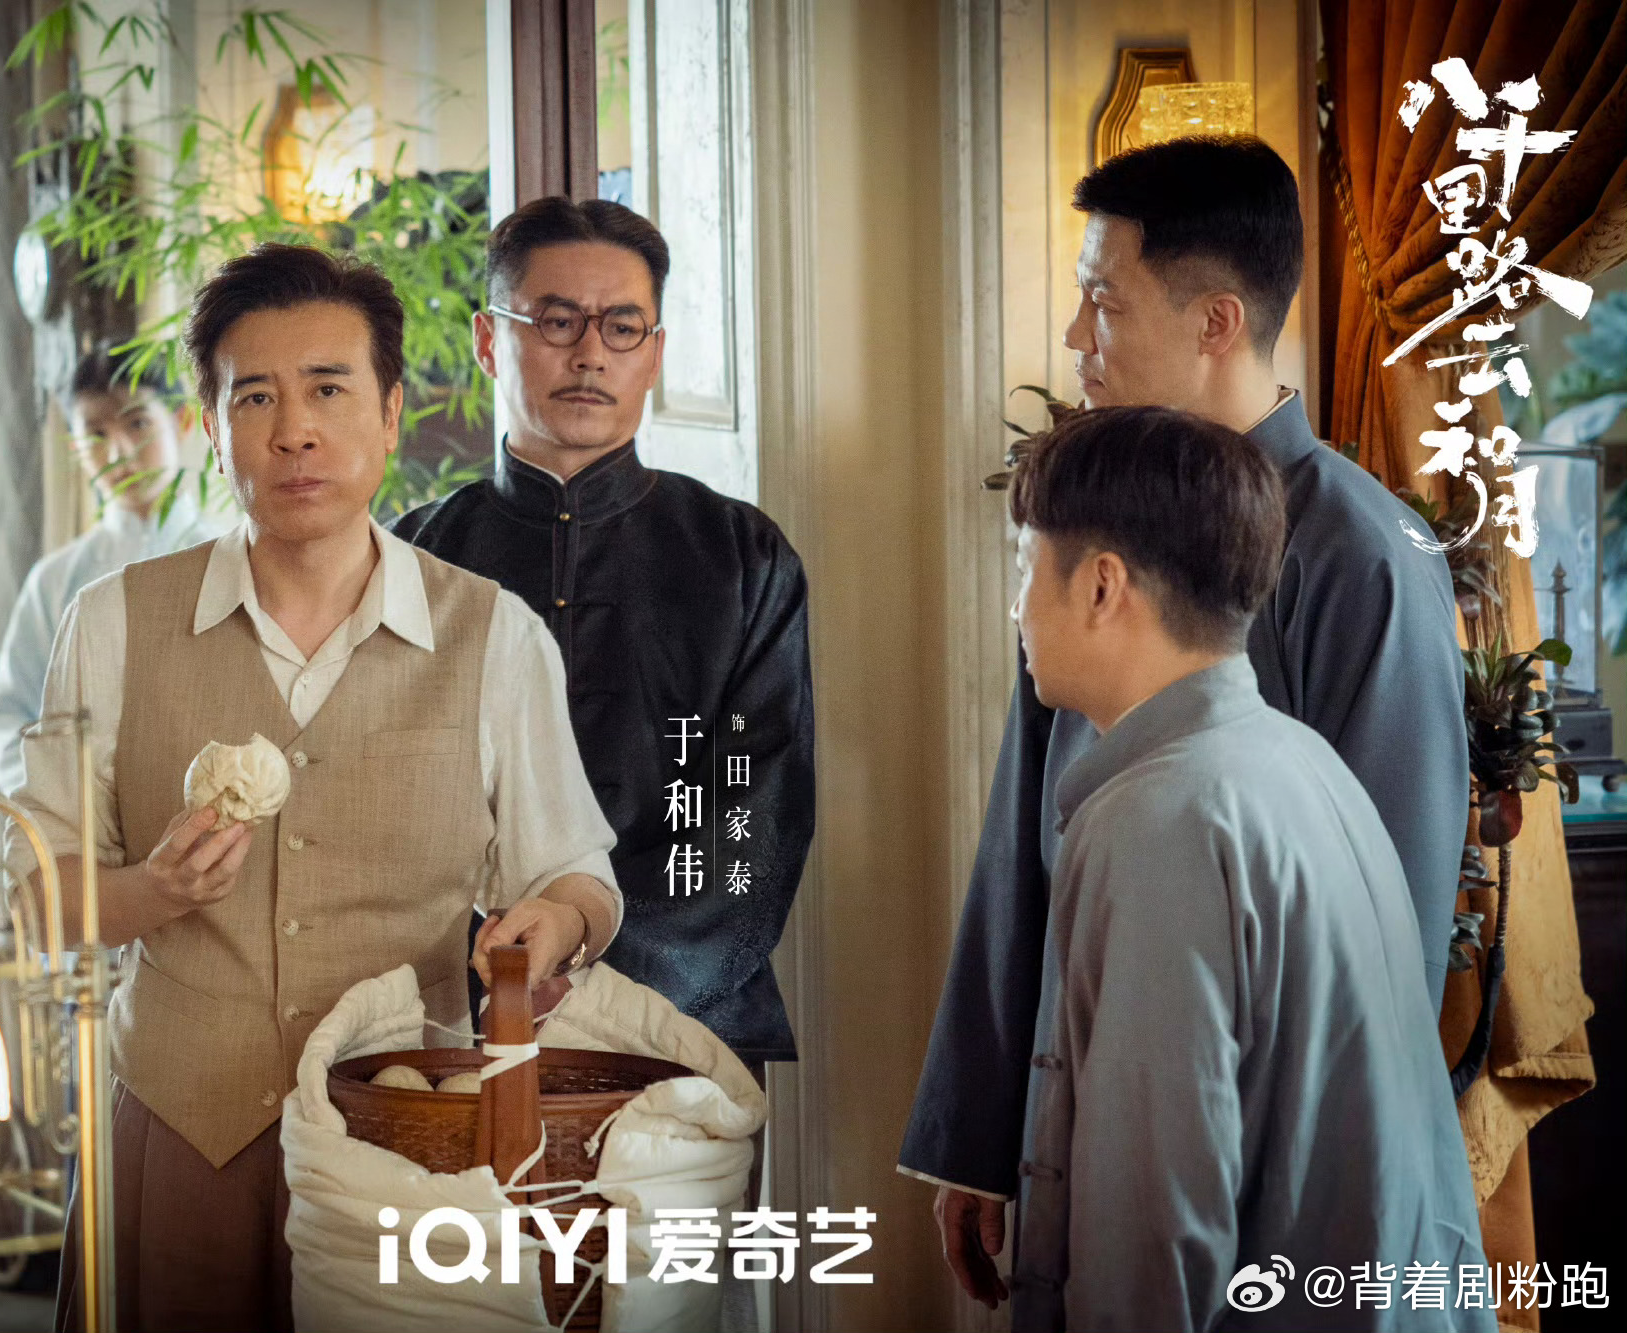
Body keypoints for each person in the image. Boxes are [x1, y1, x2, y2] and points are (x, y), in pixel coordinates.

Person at [900, 136, 1470, 1306]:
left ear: (1215, 320)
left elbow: (1388, 931)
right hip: (1096, 1080)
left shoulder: (1363, 552)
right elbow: (1025, 839)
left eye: (1102, 303)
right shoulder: (1099, 516)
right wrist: (985, 1130)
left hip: (1266, 1159)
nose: (1075, 338)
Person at [14, 244, 622, 1332]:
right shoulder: (109, 624)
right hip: (178, 1137)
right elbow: (36, 897)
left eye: (329, 390)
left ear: (389, 415)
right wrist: (154, 891)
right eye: (255, 396)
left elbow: (577, 874)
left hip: (408, 1140)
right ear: (212, 429)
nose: (294, 429)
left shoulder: (494, 636)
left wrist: (556, 925)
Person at [989, 405, 1488, 1331]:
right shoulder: (1299, 760)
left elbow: (1153, 1246)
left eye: (1025, 567)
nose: (1016, 607)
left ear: (1101, 585)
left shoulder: (1159, 819)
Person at [393, 196, 816, 1070]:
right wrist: (489, 981)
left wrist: (597, 984)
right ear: (488, 339)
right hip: (447, 1025)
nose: (590, 353)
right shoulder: (412, 558)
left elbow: (755, 822)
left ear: (653, 353)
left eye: (622, 327)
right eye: (557, 321)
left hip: (683, 1034)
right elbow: (383, 821)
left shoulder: (742, 556)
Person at [0, 349, 229, 794]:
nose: (118, 452)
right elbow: (7, 714)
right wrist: (58, 805)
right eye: (96, 434)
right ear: (76, 448)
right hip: (81, 821)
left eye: (137, 423)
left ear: (183, 422)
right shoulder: (55, 581)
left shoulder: (232, 558)